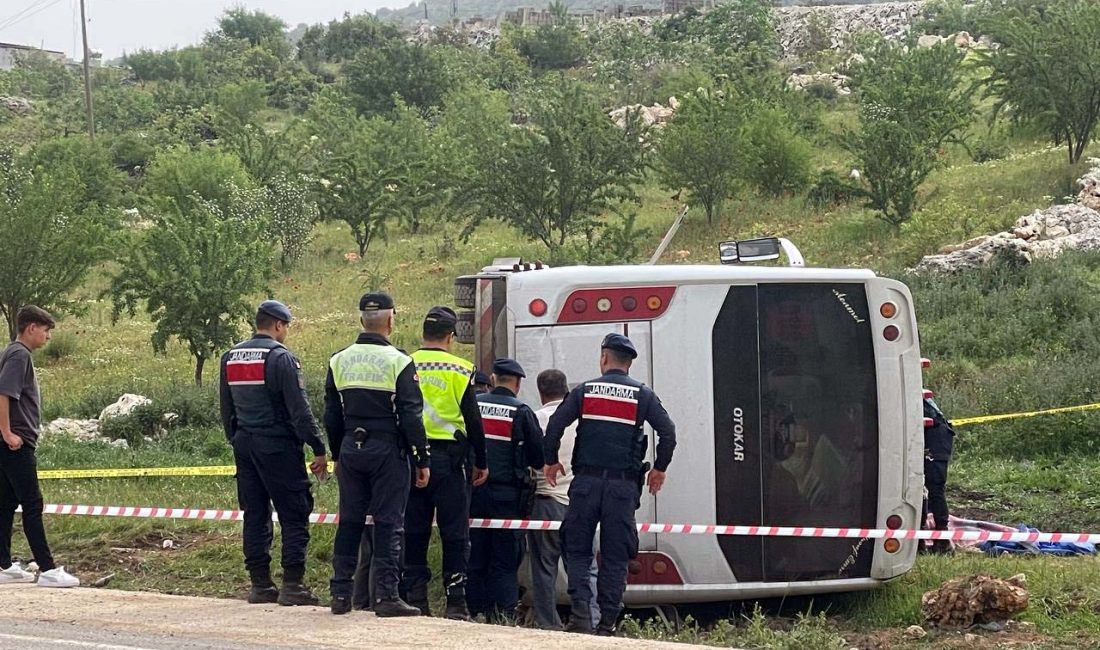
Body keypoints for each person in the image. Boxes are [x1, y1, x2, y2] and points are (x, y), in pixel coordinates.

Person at [544, 333, 677, 636]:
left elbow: (555, 424)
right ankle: (607, 625)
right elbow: (668, 432)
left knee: (577, 549)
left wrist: (550, 459)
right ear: (629, 363)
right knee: (616, 555)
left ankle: (580, 616)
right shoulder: (642, 395)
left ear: (604, 358)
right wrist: (659, 469)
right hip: (622, 488)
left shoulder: (585, 391)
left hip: (586, 484)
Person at [325, 292, 429, 617]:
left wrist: (337, 453)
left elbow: (330, 413)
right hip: (387, 449)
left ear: (361, 320)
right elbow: (411, 414)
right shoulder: (399, 361)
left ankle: (340, 594)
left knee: (350, 521)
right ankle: (386, 596)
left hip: (350, 448)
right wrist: (421, 458)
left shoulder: (338, 359)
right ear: (391, 320)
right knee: (388, 522)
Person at [219, 300, 328, 606]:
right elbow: (299, 410)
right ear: (278, 325)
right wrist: (318, 447)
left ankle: (260, 584)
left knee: (255, 513)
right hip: (278, 446)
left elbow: (225, 407)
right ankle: (293, 584)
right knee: (294, 513)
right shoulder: (281, 358)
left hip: (245, 445)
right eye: (286, 327)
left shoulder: (230, 356)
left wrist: (237, 441)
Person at [399, 306, 489, 620]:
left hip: (411, 458)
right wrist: (482, 460)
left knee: (414, 530)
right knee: (454, 533)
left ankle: (416, 599)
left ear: (423, 334)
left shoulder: (404, 363)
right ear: (450, 337)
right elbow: (473, 420)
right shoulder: (462, 368)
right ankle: (456, 603)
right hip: (451, 461)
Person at [0, 306, 78, 588]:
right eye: (46, 331)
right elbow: (4, 393)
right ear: (32, 328)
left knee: (6, 503)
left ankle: (4, 565)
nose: (47, 337)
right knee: (32, 503)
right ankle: (47, 569)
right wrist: (8, 433)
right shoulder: (20, 355)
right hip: (16, 444)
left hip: (10, 443)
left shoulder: (10, 352)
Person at [469, 358, 544, 622]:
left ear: (492, 379)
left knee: (475, 553)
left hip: (473, 493)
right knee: (504, 558)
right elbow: (537, 457)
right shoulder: (521, 411)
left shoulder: (474, 405)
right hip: (507, 497)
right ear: (518, 383)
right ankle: (503, 614)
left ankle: (474, 610)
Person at [527, 369, 599, 630]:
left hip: (546, 502)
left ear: (540, 392)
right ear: (566, 390)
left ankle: (548, 625)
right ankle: (589, 619)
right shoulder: (581, 420)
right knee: (584, 567)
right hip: (580, 504)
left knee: (544, 570)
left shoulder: (535, 419)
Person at [923, 396, 956, 554]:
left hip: (936, 441)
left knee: (934, 488)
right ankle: (919, 538)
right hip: (928, 437)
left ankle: (942, 541)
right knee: (917, 488)